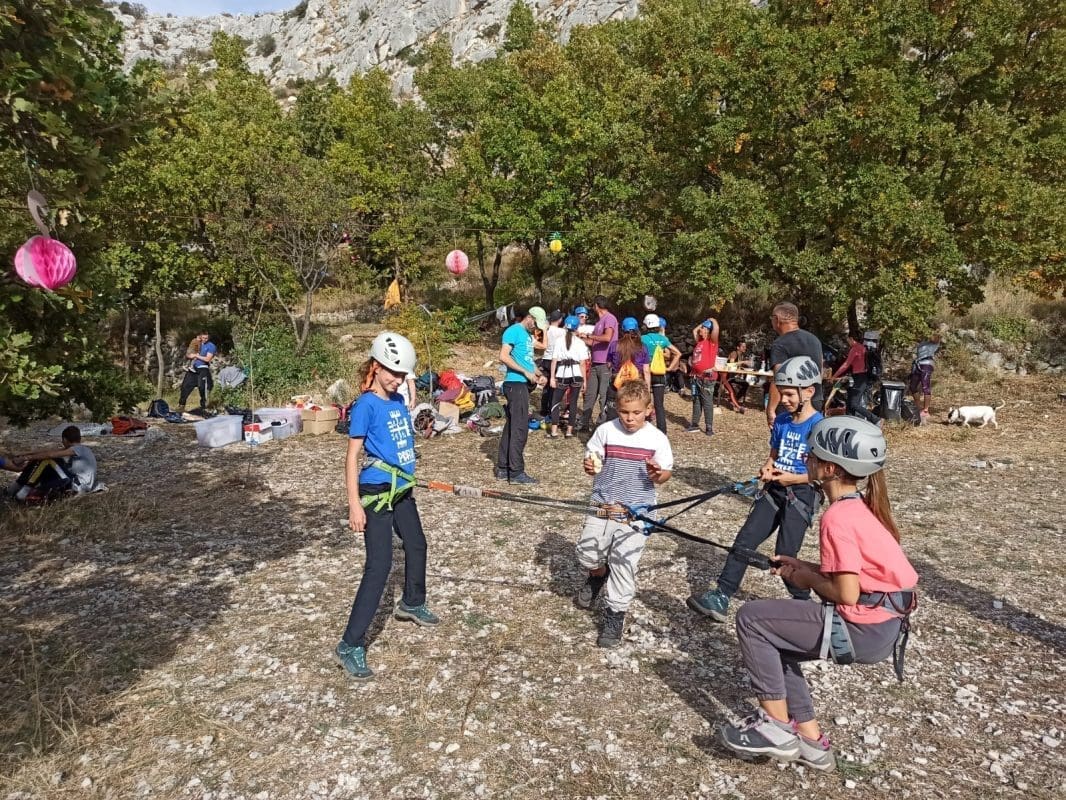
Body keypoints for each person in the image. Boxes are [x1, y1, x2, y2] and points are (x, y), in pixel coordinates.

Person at [718, 416, 918, 772]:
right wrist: (804, 566)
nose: (804, 459)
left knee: (751, 619)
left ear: (828, 469)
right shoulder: (860, 506)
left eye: (810, 455)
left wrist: (807, 579)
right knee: (778, 640)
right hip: (884, 627)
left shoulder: (837, 517)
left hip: (863, 627)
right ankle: (812, 744)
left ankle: (776, 729)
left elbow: (847, 593)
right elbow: (857, 576)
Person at [336, 332, 439, 680]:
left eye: (402, 374)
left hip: (401, 488)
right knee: (379, 566)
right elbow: (352, 458)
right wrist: (354, 505)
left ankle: (412, 602)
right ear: (376, 367)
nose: (398, 380)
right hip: (377, 491)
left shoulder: (397, 402)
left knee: (417, 544)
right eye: (394, 373)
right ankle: (350, 644)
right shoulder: (366, 405)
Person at [688, 356, 824, 620]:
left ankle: (807, 605)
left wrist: (793, 479)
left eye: (789, 394)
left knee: (786, 555)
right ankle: (722, 595)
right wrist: (767, 468)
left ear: (808, 392)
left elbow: (820, 473)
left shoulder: (819, 427)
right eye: (781, 393)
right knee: (745, 540)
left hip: (801, 495)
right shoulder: (782, 421)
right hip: (774, 491)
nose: (784, 400)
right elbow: (774, 454)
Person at [575, 380, 673, 647]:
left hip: (636, 513)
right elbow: (592, 461)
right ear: (616, 409)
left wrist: (657, 474)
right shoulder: (606, 431)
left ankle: (615, 615)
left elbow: (665, 474)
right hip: (602, 506)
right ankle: (598, 575)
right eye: (624, 412)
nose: (630, 418)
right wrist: (590, 466)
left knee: (624, 564)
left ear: (649, 410)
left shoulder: (657, 439)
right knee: (586, 554)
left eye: (637, 413)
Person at [496, 306, 547, 484]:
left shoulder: (527, 336)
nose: (536, 328)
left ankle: (503, 468)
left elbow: (527, 361)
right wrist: (525, 373)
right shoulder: (513, 331)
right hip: (515, 384)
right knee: (520, 429)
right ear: (529, 317)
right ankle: (516, 472)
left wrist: (538, 374)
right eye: (536, 324)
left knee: (512, 426)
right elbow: (504, 356)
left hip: (523, 385)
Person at [766, 303, 824, 429]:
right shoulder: (814, 340)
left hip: (790, 404)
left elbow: (779, 379)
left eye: (771, 318)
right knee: (809, 439)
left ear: (777, 319)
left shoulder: (780, 344)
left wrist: (771, 409)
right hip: (815, 400)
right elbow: (820, 371)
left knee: (784, 441)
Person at [7, 426, 98, 501]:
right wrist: (24, 454)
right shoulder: (82, 449)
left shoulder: (78, 449)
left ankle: (23, 490)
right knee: (44, 459)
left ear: (65, 439)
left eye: (62, 440)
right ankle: (21, 489)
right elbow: (49, 451)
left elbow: (50, 454)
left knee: (47, 460)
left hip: (76, 486)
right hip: (79, 485)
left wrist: (25, 458)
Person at [578, 295, 618, 431]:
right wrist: (580, 338)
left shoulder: (610, 318)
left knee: (603, 395)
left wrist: (589, 335)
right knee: (590, 394)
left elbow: (607, 337)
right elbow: (593, 342)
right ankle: (585, 422)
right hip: (595, 362)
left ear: (596, 305)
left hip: (606, 362)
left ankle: (603, 424)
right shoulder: (599, 322)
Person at [548, 315, 590, 438]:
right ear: (577, 328)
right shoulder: (580, 342)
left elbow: (554, 360)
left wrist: (552, 377)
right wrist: (585, 381)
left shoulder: (559, 341)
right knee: (573, 402)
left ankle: (554, 431)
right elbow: (583, 363)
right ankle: (569, 431)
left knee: (555, 401)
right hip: (577, 374)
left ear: (566, 326)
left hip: (562, 374)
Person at [641, 314, 682, 434]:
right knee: (659, 405)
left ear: (646, 325)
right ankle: (662, 433)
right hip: (659, 373)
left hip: (645, 373)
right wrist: (669, 368)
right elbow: (678, 353)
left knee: (643, 403)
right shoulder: (663, 339)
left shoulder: (642, 339)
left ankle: (643, 430)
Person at [833, 331, 881, 425]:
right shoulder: (863, 348)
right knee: (849, 402)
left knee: (854, 403)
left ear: (851, 339)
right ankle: (849, 422)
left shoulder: (855, 349)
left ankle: (875, 419)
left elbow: (846, 364)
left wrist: (834, 376)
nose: (848, 342)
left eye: (848, 340)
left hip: (860, 378)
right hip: (862, 377)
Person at [685, 318, 720, 435]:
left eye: (703, 328)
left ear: (708, 331)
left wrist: (712, 320)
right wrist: (703, 323)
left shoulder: (712, 342)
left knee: (707, 402)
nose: (700, 329)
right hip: (696, 377)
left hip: (707, 378)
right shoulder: (700, 341)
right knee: (696, 401)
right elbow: (694, 331)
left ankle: (709, 427)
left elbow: (716, 329)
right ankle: (694, 424)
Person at [178, 330, 217, 413]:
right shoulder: (196, 342)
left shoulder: (211, 346)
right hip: (193, 368)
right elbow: (188, 354)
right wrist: (191, 355)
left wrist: (196, 356)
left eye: (206, 338)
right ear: (201, 337)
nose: (205, 339)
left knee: (202, 387)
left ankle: (204, 407)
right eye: (203, 338)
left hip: (203, 368)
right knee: (185, 386)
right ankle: (181, 406)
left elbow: (208, 359)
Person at [540, 310, 567, 418]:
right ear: (559, 320)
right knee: (554, 386)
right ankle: (552, 410)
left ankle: (544, 409)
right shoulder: (561, 332)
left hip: (546, 359)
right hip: (556, 361)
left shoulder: (546, 329)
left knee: (546, 386)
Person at [908, 333, 941, 421]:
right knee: (912, 386)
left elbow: (935, 337)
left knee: (925, 387)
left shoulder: (934, 342)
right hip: (918, 364)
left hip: (926, 364)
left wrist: (927, 332)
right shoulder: (922, 342)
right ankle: (918, 407)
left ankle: (926, 410)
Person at [726, 340, 754, 407]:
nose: (745, 348)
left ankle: (734, 400)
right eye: (743, 347)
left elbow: (738, 366)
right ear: (738, 347)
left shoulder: (741, 355)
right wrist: (743, 362)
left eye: (745, 347)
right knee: (734, 391)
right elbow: (731, 364)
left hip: (733, 377)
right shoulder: (734, 353)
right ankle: (734, 401)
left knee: (745, 384)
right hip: (727, 377)